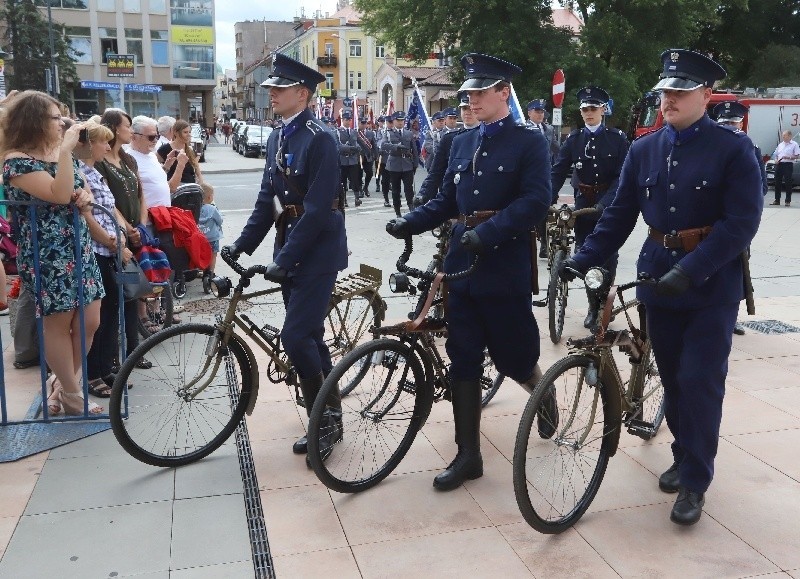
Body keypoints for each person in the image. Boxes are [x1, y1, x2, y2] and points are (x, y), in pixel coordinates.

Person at [559, 49, 763, 525]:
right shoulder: (644, 149)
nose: (668, 99)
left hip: (710, 284)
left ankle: (696, 479)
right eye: (665, 91)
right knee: (672, 377)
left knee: (699, 381)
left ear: (705, 96)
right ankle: (683, 453)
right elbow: (619, 215)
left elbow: (741, 223)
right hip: (657, 279)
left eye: (679, 92)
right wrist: (581, 259)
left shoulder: (733, 150)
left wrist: (692, 268)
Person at [386, 53, 552, 491]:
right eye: (468, 93)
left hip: (503, 264)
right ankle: (468, 456)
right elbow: (445, 200)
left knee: (513, 353)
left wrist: (491, 232)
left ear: (503, 93)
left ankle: (540, 388)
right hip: (461, 265)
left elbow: (536, 201)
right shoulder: (459, 142)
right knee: (462, 358)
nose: (472, 99)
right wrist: (411, 221)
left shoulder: (529, 141)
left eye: (480, 92)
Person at [224, 54, 348, 463]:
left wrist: (286, 259)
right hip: (290, 249)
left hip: (317, 253)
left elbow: (316, 209)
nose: (272, 94)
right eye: (271, 88)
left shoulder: (320, 138)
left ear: (302, 93)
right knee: (309, 336)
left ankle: (323, 423)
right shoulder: (279, 137)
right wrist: (241, 245)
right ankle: (330, 414)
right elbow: (268, 200)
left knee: (296, 337)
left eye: (279, 88)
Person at [1, 90, 104, 415]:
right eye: (55, 117)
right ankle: (73, 396)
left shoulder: (57, 153)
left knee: (90, 319)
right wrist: (65, 152)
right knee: (58, 323)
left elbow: (78, 186)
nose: (63, 122)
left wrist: (85, 196)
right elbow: (60, 194)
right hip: (48, 253)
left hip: (78, 245)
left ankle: (61, 386)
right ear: (34, 121)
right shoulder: (16, 160)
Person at [551, 86, 629, 329]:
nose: (588, 113)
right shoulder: (574, 139)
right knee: (585, 252)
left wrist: (605, 204)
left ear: (603, 110)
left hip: (608, 204)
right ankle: (592, 306)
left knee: (607, 255)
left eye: (593, 108)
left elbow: (622, 176)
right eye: (584, 109)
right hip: (583, 204)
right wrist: (547, 198)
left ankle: (603, 303)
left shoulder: (617, 139)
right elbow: (558, 170)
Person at [77, 120, 133, 397]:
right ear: (88, 144)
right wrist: (115, 244)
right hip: (100, 251)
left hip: (109, 249)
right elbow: (89, 219)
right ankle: (93, 374)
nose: (108, 146)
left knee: (111, 311)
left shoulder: (93, 172)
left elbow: (109, 210)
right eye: (103, 141)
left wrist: (121, 236)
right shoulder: (80, 171)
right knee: (99, 316)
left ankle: (105, 367)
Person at [96, 108, 150, 369]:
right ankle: (112, 358)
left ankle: (134, 350)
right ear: (116, 129)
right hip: (114, 236)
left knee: (132, 294)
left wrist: (140, 223)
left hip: (132, 235)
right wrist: (127, 227)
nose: (131, 131)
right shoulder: (100, 160)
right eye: (128, 126)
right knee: (114, 299)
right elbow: (107, 201)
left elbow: (141, 192)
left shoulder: (128, 160)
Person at [713, 101, 768, 337]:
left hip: (736, 221)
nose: (729, 127)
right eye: (724, 123)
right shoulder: (708, 147)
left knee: (736, 270)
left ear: (740, 124)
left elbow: (761, 186)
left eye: (733, 123)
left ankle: (731, 317)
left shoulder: (749, 148)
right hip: (709, 221)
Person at [416, 92, 479, 206]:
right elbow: (436, 172)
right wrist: (423, 194)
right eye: (464, 108)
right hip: (453, 199)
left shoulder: (487, 137)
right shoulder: (449, 138)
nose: (467, 112)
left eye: (470, 108)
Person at [127, 115, 173, 208]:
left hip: (162, 216)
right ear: (134, 137)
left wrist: (166, 167)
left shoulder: (152, 155)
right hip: (148, 217)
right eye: (151, 137)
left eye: (157, 136)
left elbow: (154, 179)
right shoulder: (128, 158)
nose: (155, 140)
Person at [381, 110, 418, 216]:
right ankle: (397, 211)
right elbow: (383, 145)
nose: (400, 122)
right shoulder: (388, 133)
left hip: (407, 164)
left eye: (402, 120)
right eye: (398, 120)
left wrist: (415, 164)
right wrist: (396, 146)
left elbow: (414, 150)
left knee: (409, 189)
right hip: (394, 164)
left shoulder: (409, 133)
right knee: (396, 190)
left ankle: (411, 208)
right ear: (393, 121)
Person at [156, 119, 203, 189]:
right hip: (174, 189)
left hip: (191, 188)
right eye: (185, 132)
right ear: (176, 132)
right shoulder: (165, 149)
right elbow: (155, 167)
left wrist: (201, 185)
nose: (189, 135)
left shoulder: (190, 150)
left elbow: (197, 171)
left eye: (190, 132)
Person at [336, 111, 362, 207]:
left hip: (352, 160)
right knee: (343, 181)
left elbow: (358, 143)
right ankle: (344, 199)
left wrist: (360, 149)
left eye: (350, 119)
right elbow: (338, 146)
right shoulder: (338, 131)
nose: (348, 121)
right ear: (342, 120)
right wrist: (351, 148)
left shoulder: (354, 131)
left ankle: (357, 198)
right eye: (346, 119)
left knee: (355, 180)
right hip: (343, 160)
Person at [770, 129, 799, 206]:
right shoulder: (780, 144)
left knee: (788, 183)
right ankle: (777, 200)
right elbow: (775, 154)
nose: (783, 137)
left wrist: (788, 157)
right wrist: (775, 160)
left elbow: (797, 156)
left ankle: (787, 201)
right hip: (779, 165)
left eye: (784, 136)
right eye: (782, 136)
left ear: (789, 136)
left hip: (788, 165)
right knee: (777, 182)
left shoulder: (794, 144)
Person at [198, 182, 222, 274]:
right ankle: (211, 272)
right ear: (209, 197)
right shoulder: (212, 209)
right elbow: (219, 220)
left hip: (201, 238)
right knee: (213, 254)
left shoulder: (195, 209)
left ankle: (203, 269)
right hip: (213, 237)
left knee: (203, 254)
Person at [358, 118, 377, 197]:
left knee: (369, 173)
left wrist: (376, 155)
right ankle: (360, 190)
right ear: (358, 123)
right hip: (358, 157)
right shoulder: (355, 133)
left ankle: (365, 187)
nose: (363, 125)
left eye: (365, 123)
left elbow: (374, 145)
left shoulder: (370, 133)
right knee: (358, 174)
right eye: (362, 123)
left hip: (368, 156)